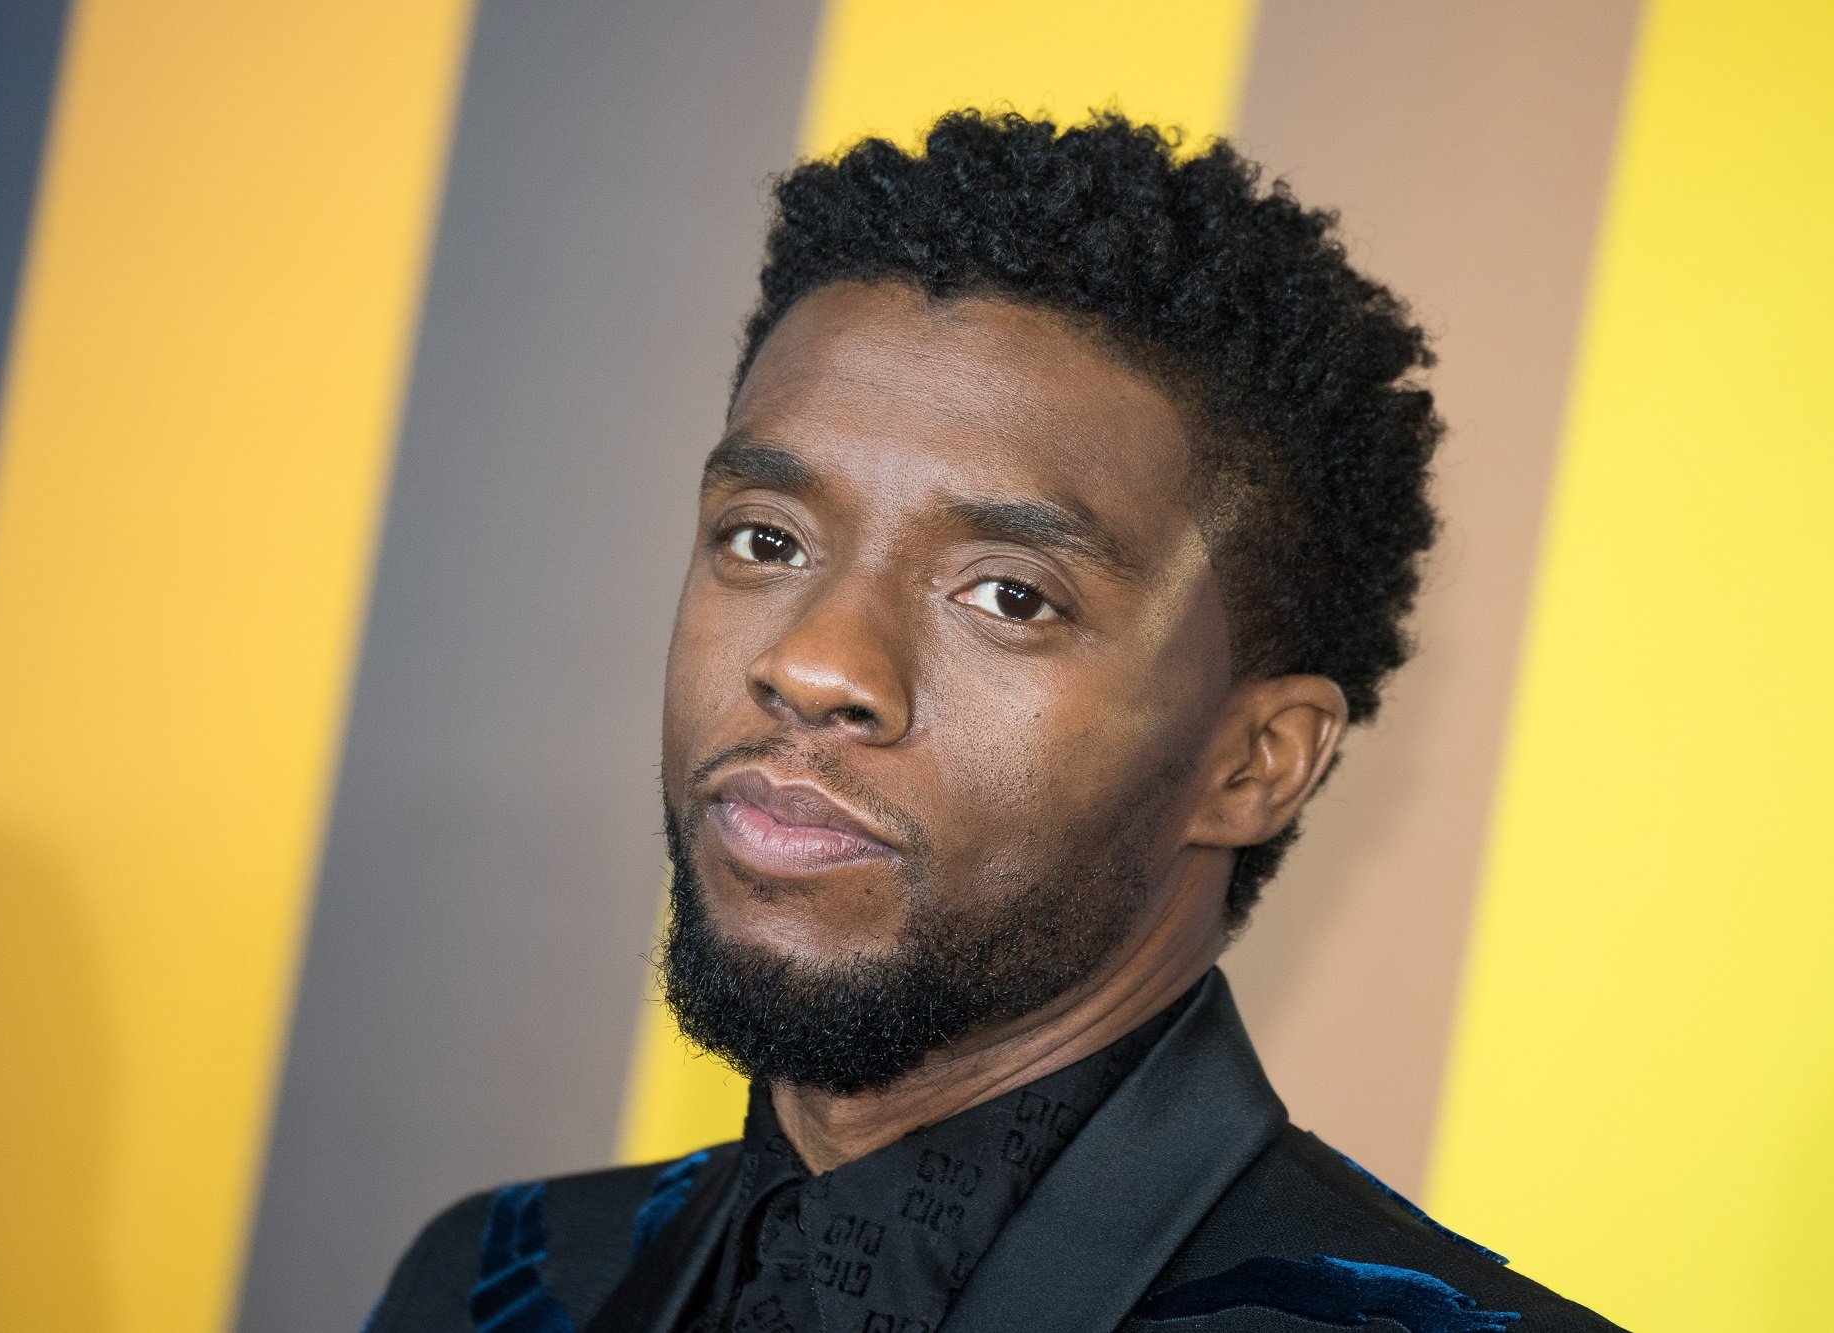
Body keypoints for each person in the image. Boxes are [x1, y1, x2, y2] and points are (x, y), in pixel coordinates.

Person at [366, 111, 1619, 1333]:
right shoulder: (496, 1281)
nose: (812, 665)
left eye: (1008, 596)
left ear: (1252, 763)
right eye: (766, 539)